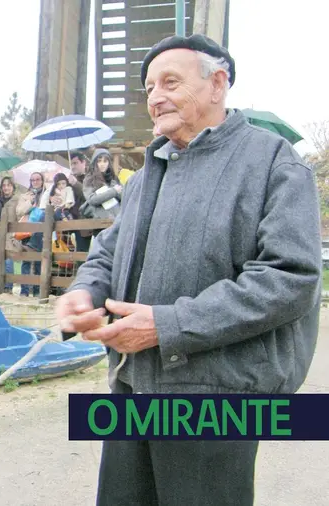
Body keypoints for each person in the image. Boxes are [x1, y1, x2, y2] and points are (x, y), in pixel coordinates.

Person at [55, 34, 321, 506]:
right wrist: (86, 292)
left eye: (170, 82)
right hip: (134, 384)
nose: (155, 97)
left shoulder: (272, 161)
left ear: (218, 84)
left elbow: (291, 278)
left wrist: (168, 325)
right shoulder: (145, 174)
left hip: (219, 394)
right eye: (149, 87)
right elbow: (107, 252)